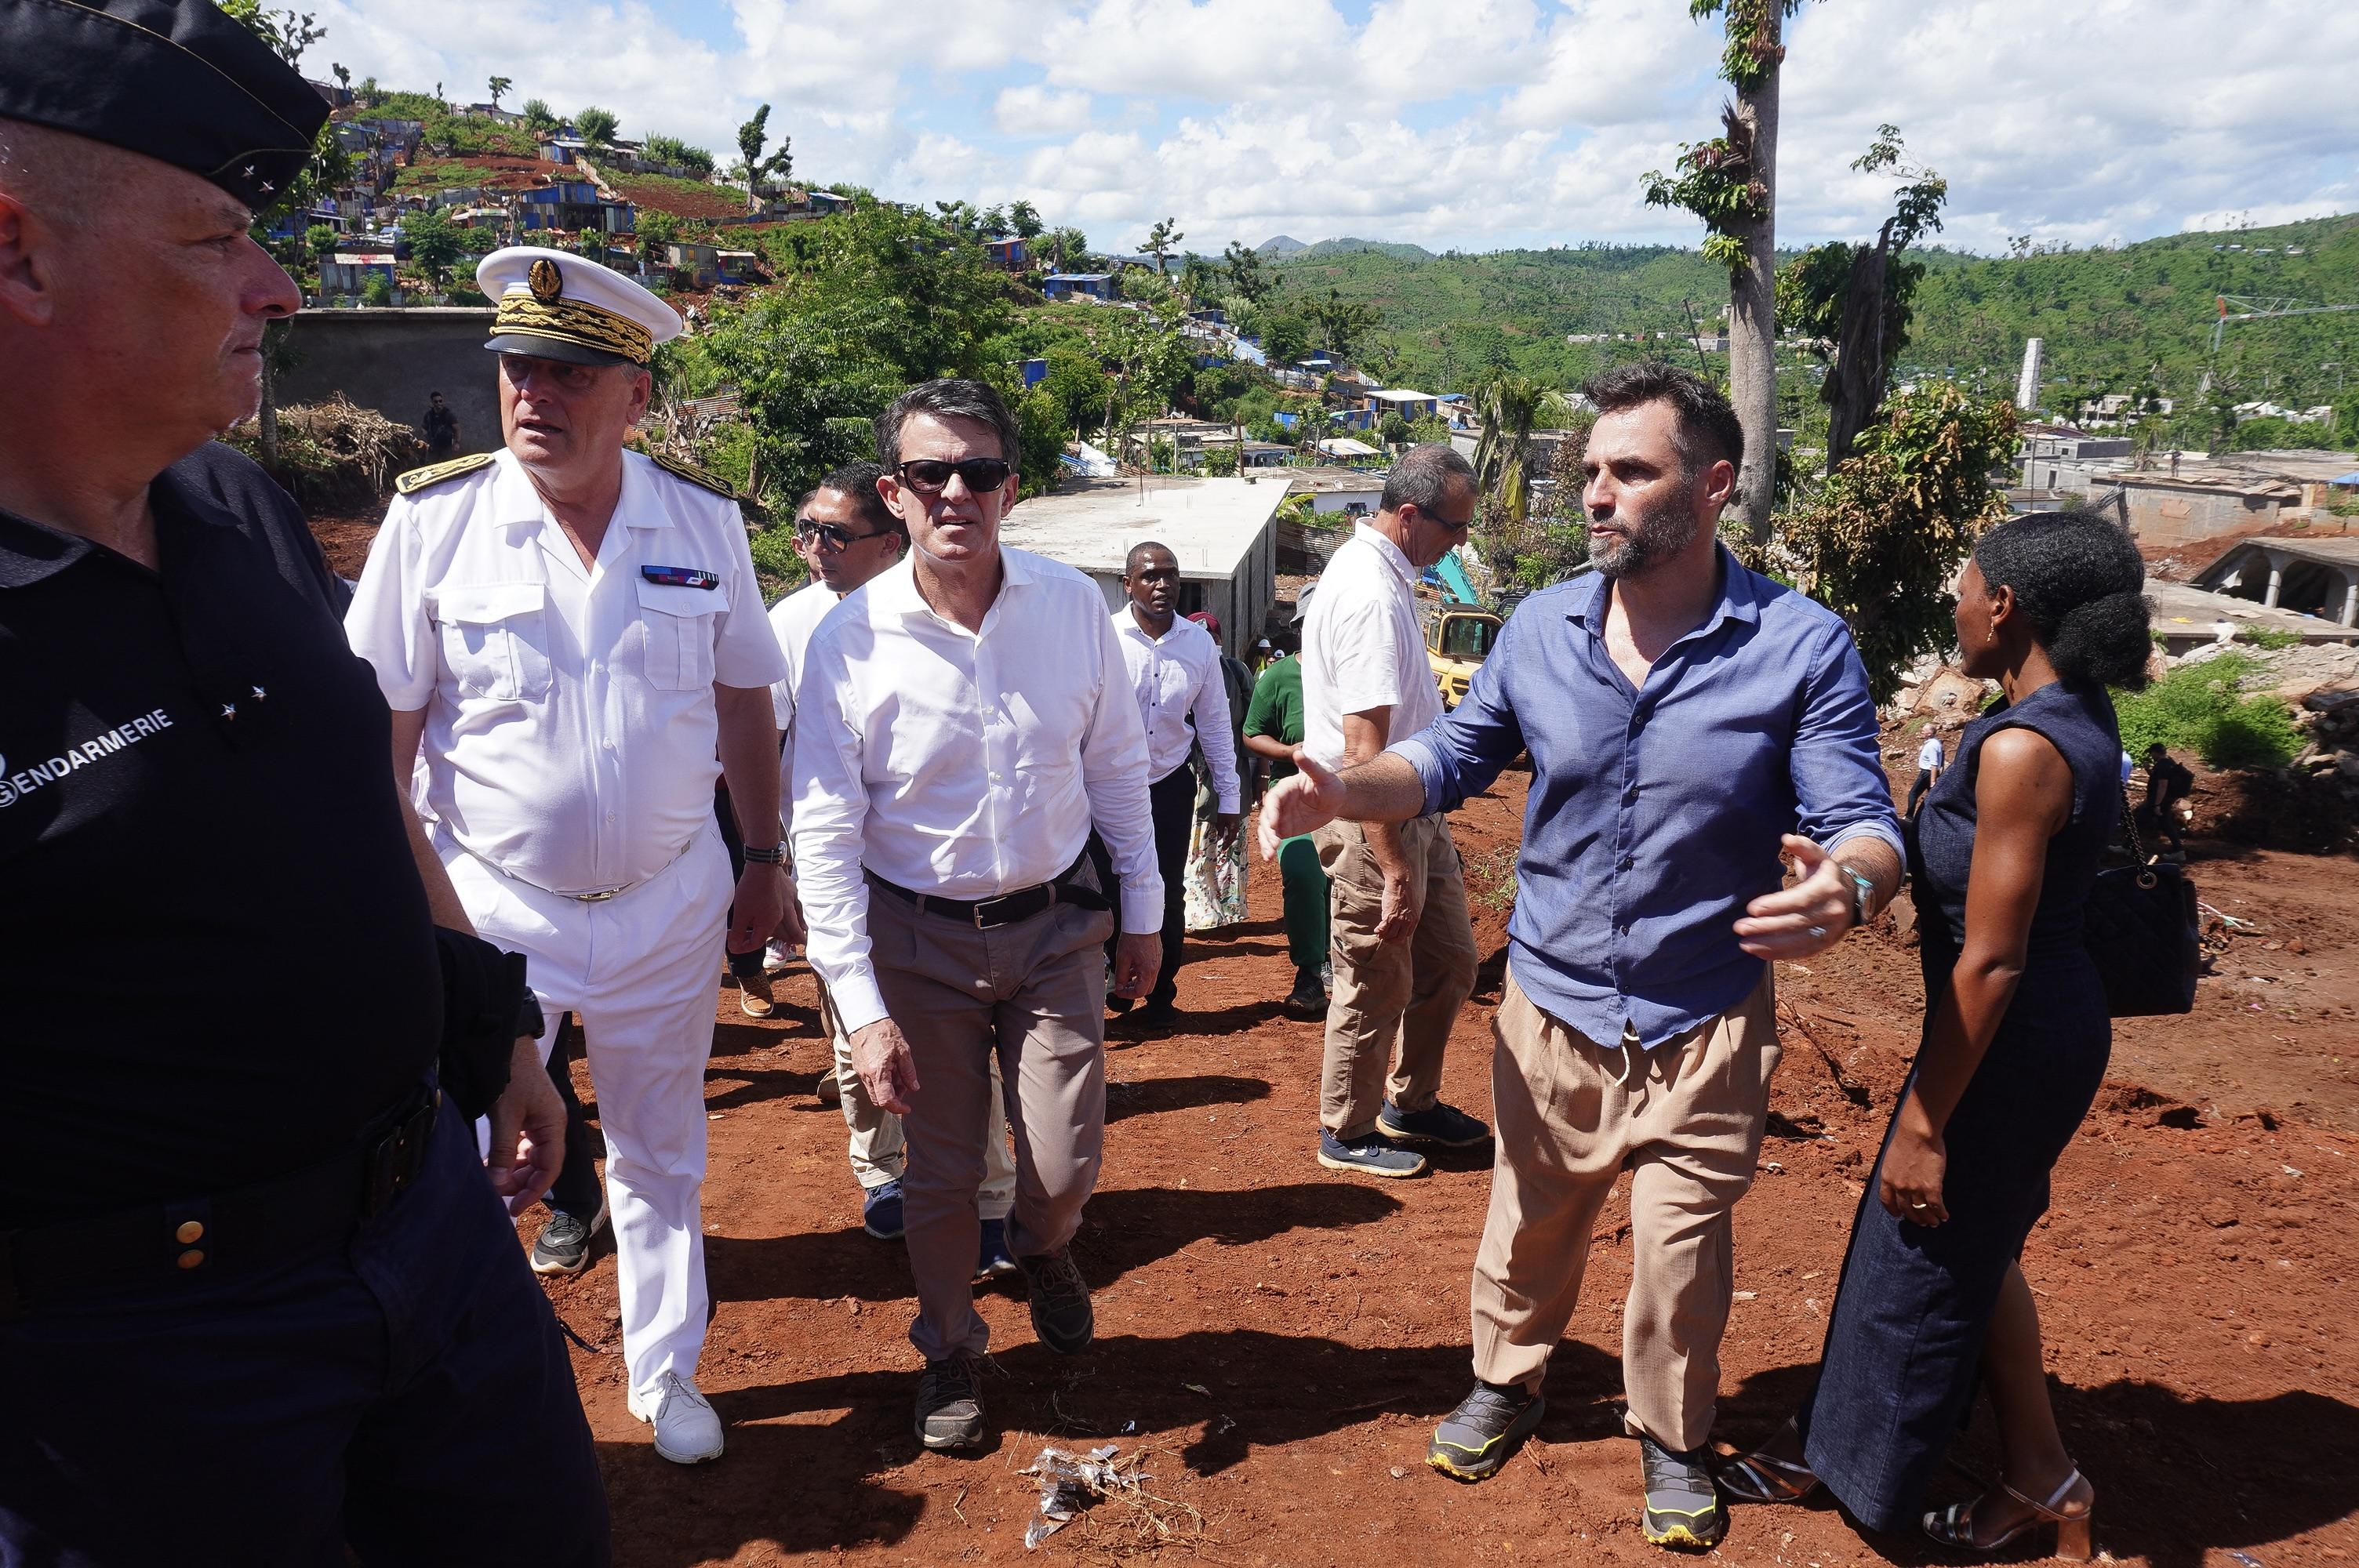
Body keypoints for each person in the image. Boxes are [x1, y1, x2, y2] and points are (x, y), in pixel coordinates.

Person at [0, 10, 609, 1562]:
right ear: (17, 254)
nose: (276, 285)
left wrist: (482, 1013)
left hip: (432, 1240)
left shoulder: (229, 504)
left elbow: (348, 785)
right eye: (218, 238)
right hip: (133, 1371)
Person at [1262, 365, 1904, 1550]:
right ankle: (1508, 1379)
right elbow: (1450, 757)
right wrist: (1352, 786)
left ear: (1714, 485)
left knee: (1679, 1252)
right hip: (1552, 1001)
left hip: (1704, 1014)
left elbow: (1861, 815)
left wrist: (1848, 887)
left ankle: (1671, 1435)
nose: (1598, 496)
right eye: (1591, 474)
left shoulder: (1799, 645)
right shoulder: (1542, 628)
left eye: (1631, 472)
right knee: (1533, 1215)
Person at [346, 246, 791, 1466]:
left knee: (662, 1149)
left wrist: (763, 857)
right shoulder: (434, 524)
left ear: (635, 394)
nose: (535, 396)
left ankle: (671, 1376)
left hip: (669, 901)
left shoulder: (700, 523)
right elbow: (376, 745)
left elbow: (746, 696)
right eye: (519, 371)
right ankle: (467, 1386)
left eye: (569, 374)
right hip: (491, 911)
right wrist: (419, 922)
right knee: (469, 1156)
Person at [1718, 513, 2152, 1560]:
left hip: (2007, 1029)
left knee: (1913, 1253)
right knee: (1972, 1245)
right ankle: (2042, 1473)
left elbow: (1992, 959)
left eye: (1965, 585)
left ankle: (1851, 1460)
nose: (1955, 605)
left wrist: (1920, 1120)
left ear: (2005, 607)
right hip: (2031, 1023)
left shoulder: (2020, 750)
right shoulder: (2064, 718)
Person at [791, 379, 1161, 1454]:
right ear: (893, 493)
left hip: (1055, 933)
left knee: (1063, 1165)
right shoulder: (848, 643)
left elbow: (1118, 768)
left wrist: (1143, 912)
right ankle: (950, 1346)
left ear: (1012, 488)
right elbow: (821, 834)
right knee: (944, 1173)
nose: (956, 491)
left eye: (980, 471)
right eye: (929, 473)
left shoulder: (1070, 611)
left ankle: (1045, 1246)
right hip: (918, 942)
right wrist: (859, 1008)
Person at [768, 462, 1019, 1274]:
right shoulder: (792, 624)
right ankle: (881, 1173)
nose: (815, 549)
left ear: (887, 537)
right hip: (836, 865)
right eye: (808, 533)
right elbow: (767, 745)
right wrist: (776, 860)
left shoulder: (950, 616)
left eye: (835, 535)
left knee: (963, 1037)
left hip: (932, 876)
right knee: (853, 1030)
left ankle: (989, 1195)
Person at [1297, 443, 1489, 1179]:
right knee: (1377, 971)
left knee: (1449, 963)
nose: (1462, 540)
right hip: (1374, 815)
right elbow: (1361, 754)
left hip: (1413, 804)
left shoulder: (1390, 576)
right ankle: (1345, 1127)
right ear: (1408, 516)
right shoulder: (1371, 596)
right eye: (1453, 525)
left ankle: (1410, 1102)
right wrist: (1394, 862)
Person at [1110, 543, 1241, 1028]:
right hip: (1107, 787)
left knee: (1166, 890)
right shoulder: (1103, 635)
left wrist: (1229, 797)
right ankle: (1117, 980)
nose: (1162, 585)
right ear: (1128, 585)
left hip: (1168, 786)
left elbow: (1214, 726)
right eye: (1150, 576)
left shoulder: (1198, 644)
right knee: (1108, 886)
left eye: (1170, 576)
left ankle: (1161, 994)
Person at [1244, 619, 1329, 1020]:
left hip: (1356, 795)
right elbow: (1251, 733)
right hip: (1296, 800)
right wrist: (1288, 751)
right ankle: (1311, 972)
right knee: (1304, 875)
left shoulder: (1357, 672)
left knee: (1348, 880)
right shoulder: (1278, 677)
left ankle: (1350, 970)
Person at [1181, 608, 1256, 936]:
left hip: (1231, 768)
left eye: (1212, 638)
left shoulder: (1237, 673)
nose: (1209, 645)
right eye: (1202, 639)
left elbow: (1252, 727)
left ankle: (1229, 907)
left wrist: (1259, 776)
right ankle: (1202, 911)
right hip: (1193, 772)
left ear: (1220, 640)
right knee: (1197, 839)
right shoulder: (1180, 672)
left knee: (1230, 838)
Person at [2139, 741, 2194, 853]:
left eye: (2151, 753)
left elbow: (2163, 785)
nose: (2151, 756)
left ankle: (2127, 847)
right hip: (2167, 799)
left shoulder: (2162, 766)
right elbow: (2158, 779)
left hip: (2160, 800)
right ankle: (2179, 851)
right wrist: (2148, 770)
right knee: (2162, 823)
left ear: (2156, 752)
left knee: (2141, 820)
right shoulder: (2170, 763)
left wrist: (2157, 804)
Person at [1906, 728, 1946, 817]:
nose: (1921, 732)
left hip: (1928, 773)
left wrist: (1933, 781)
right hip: (1931, 773)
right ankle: (1932, 817)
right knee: (1932, 797)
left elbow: (1934, 764)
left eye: (1923, 730)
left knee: (1913, 794)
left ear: (1930, 733)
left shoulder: (1931, 745)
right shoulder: (1934, 743)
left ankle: (1909, 816)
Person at [421, 390, 460, 459]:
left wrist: (457, 443)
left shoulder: (448, 414)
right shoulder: (429, 415)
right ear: (432, 402)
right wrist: (428, 438)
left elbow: (457, 429)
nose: (439, 403)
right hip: (434, 446)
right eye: (436, 402)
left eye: (440, 401)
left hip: (446, 446)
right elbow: (424, 428)